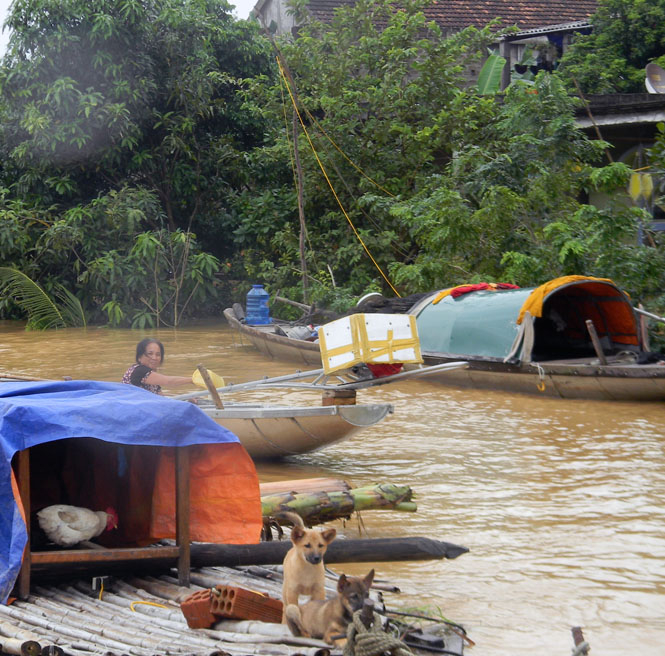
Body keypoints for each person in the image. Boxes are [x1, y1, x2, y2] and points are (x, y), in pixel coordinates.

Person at [122, 338, 193, 395]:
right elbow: (169, 381)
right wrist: (192, 380)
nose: (154, 358)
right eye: (150, 354)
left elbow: (161, 397)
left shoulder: (152, 378)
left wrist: (185, 399)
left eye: (158, 355)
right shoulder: (139, 371)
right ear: (139, 357)